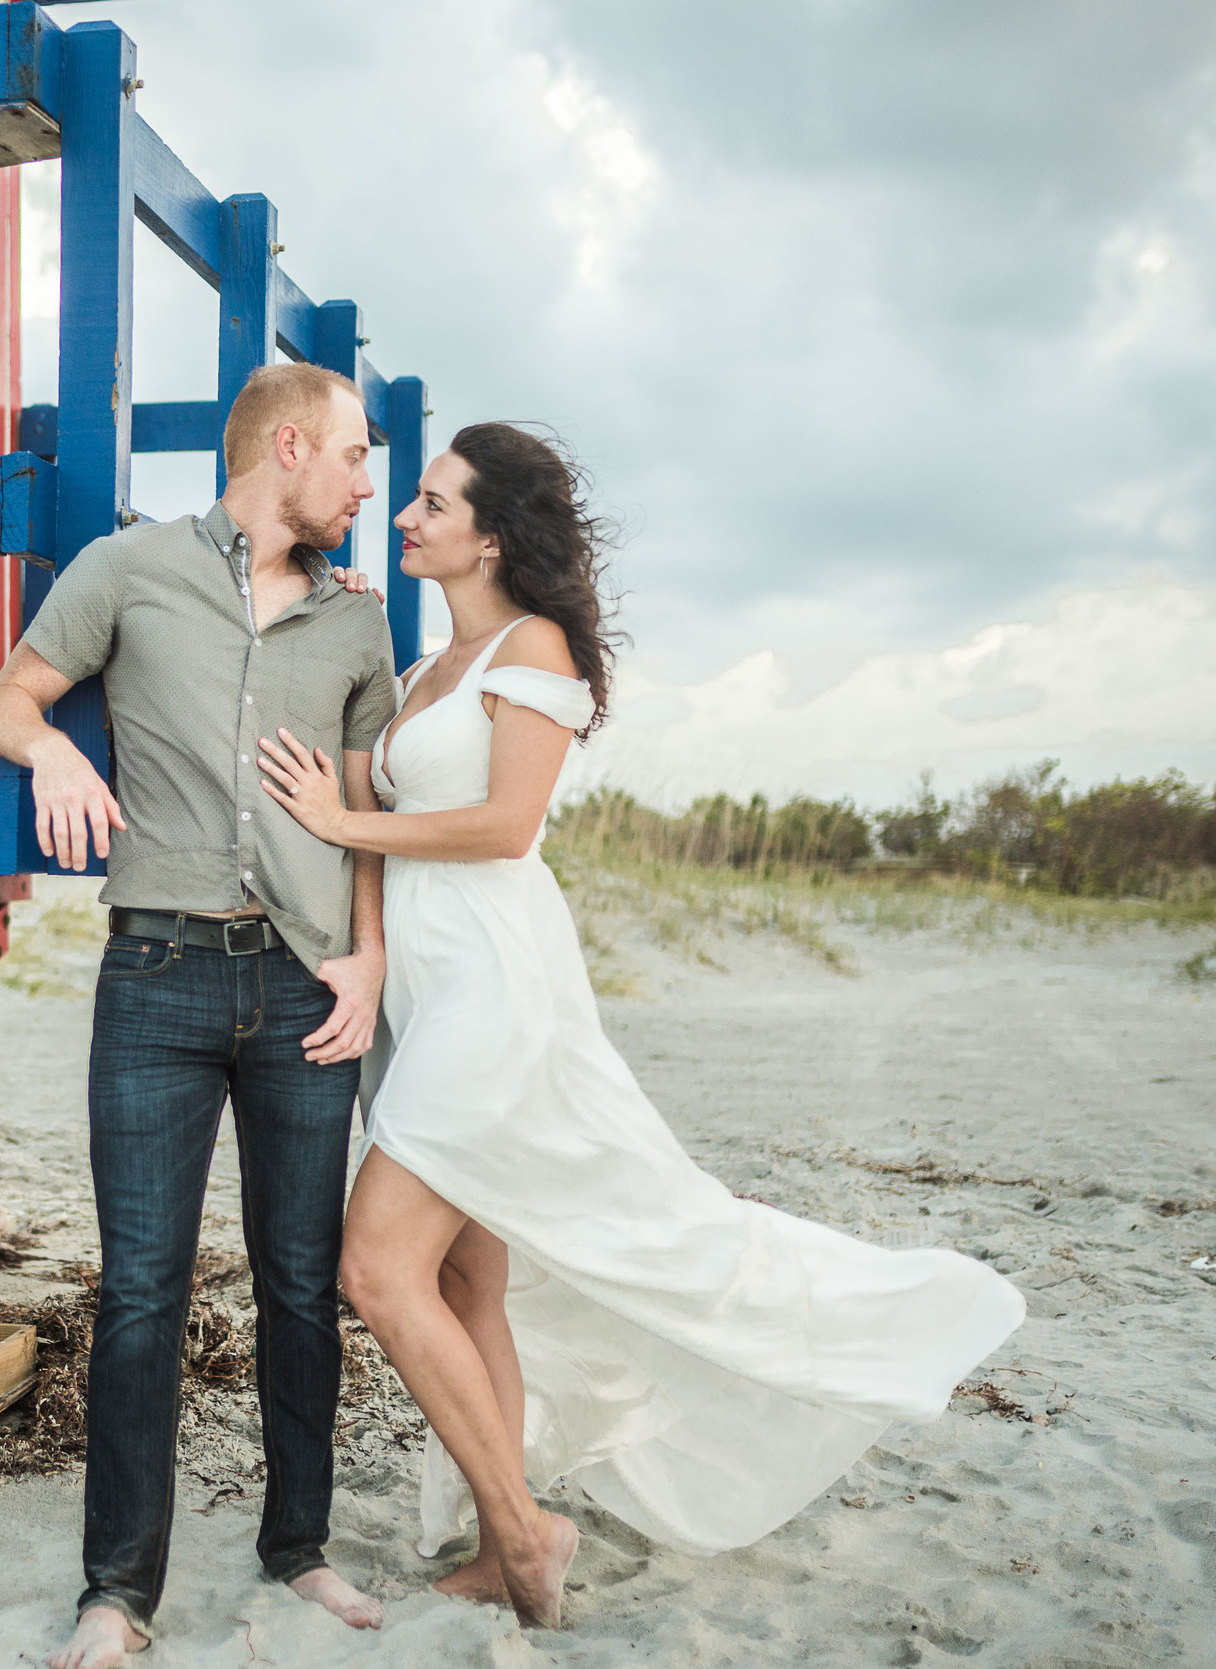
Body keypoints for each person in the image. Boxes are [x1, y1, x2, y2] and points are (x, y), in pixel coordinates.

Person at [255, 422, 1027, 1629]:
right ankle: (491, 1531)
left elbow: (507, 824)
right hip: (425, 992)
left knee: (375, 1265)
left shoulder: (535, 645)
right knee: (468, 1275)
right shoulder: (426, 667)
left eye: (430, 501)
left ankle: (524, 1532)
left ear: (492, 536)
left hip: (496, 995)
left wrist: (346, 826)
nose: (403, 515)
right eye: (406, 497)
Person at [0, 364, 400, 1669]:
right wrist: (46, 748)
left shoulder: (358, 628)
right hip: (156, 978)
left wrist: (369, 959)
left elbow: (371, 808)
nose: (366, 483)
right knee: (142, 1293)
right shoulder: (129, 567)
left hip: (308, 984)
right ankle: (119, 1590)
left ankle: (300, 1548)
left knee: (302, 1287)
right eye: (352, 457)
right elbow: (4, 697)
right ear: (286, 446)